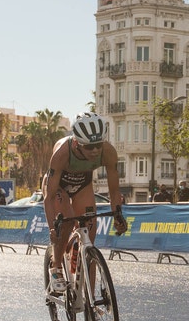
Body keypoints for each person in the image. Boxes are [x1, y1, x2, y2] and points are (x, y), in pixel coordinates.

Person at [42, 113, 127, 296]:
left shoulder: (108, 151)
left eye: (98, 145)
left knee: (90, 233)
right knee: (66, 223)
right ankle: (56, 268)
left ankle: (91, 300)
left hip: (83, 184)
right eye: (90, 147)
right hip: (59, 187)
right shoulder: (63, 153)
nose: (96, 151)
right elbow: (48, 197)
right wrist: (52, 228)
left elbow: (114, 191)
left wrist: (118, 215)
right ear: (76, 143)